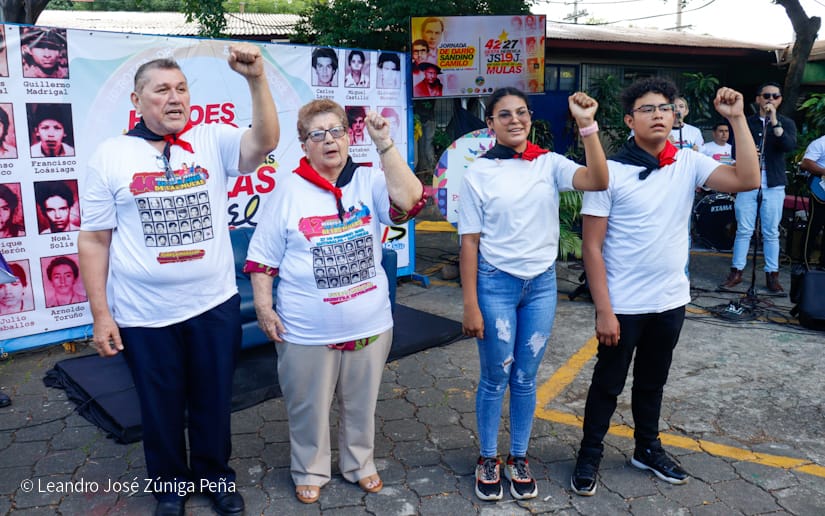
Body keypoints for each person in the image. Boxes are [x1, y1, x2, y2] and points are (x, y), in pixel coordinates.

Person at [78, 43, 279, 516]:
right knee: (159, 404)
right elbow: (94, 241)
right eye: (162, 89)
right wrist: (101, 314)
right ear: (136, 101)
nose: (175, 98)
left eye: (182, 89)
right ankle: (169, 485)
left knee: (213, 399)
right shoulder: (109, 156)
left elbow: (265, 141)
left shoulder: (212, 139)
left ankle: (215, 477)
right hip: (144, 313)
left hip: (213, 304)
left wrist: (256, 79)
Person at [570, 77, 759, 497]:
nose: (658, 114)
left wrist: (737, 118)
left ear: (676, 117)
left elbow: (747, 179)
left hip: (670, 300)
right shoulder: (610, 172)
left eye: (665, 108)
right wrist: (604, 309)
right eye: (648, 109)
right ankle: (589, 453)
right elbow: (592, 248)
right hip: (623, 304)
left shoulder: (687, 162)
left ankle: (646, 448)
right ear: (629, 120)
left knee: (652, 381)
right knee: (608, 383)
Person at [245, 99, 425, 505]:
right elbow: (262, 258)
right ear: (303, 144)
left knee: (361, 404)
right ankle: (310, 468)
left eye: (337, 131)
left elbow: (410, 202)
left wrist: (385, 146)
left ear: (349, 136)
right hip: (306, 329)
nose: (329, 140)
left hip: (370, 323)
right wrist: (263, 307)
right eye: (317, 134)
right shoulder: (288, 190)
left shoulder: (370, 180)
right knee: (307, 405)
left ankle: (360, 463)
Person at [458, 87, 609, 502]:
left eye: (521, 112)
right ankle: (488, 457)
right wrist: (470, 304)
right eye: (503, 115)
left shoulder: (548, 164)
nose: (514, 120)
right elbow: (469, 242)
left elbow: (598, 179)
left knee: (525, 377)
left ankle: (519, 456)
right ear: (490, 124)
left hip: (541, 285)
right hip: (495, 283)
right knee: (495, 377)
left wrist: (586, 125)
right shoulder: (478, 173)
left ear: (530, 118)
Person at [720, 82, 797, 292]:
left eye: (775, 96)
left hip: (773, 183)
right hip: (747, 182)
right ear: (758, 99)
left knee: (771, 231)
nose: (770, 99)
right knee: (744, 229)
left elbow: (789, 146)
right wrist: (747, 154)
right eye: (766, 95)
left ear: (780, 100)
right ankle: (736, 271)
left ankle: (772, 275)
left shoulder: (786, 123)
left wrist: (774, 122)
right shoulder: (746, 123)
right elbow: (735, 152)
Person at [800, 134, 825, 270]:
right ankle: (804, 259)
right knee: (814, 225)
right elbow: (806, 163)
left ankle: (823, 263)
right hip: (820, 188)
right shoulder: (820, 143)